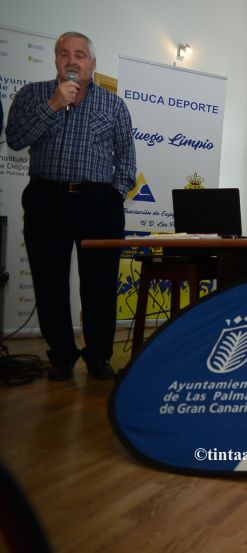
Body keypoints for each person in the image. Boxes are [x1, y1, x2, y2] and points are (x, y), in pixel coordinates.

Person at [6, 31, 136, 380]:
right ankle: (61, 355)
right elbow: (15, 140)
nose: (72, 60)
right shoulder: (33, 95)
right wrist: (53, 104)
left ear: (92, 63)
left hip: (98, 201)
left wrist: (115, 194)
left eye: (80, 54)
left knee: (100, 284)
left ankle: (98, 355)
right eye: (64, 53)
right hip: (46, 198)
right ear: (56, 60)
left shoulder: (113, 105)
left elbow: (126, 156)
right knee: (49, 281)